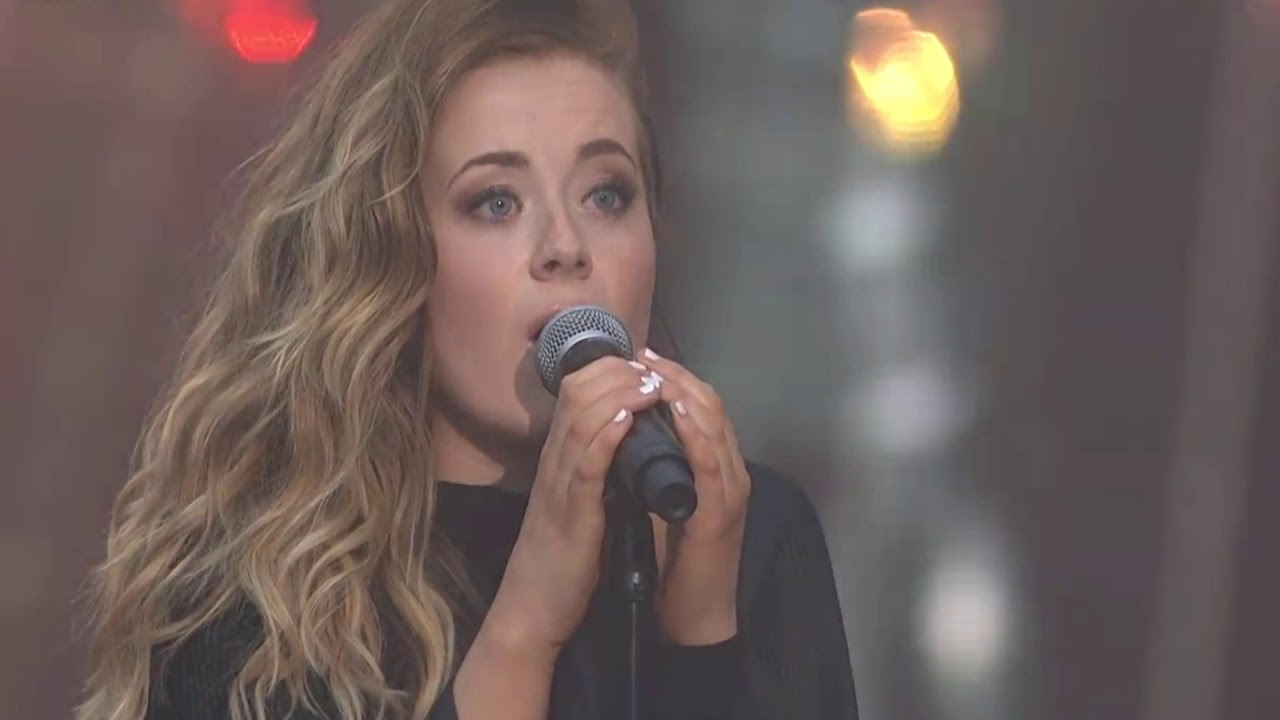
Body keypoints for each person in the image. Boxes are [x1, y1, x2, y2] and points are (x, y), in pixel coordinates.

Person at [76, 0, 858, 718]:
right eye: (496, 202)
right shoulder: (258, 598)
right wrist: (526, 625)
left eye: (606, 195)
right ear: (388, 257)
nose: (565, 247)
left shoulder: (754, 536)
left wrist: (701, 637)